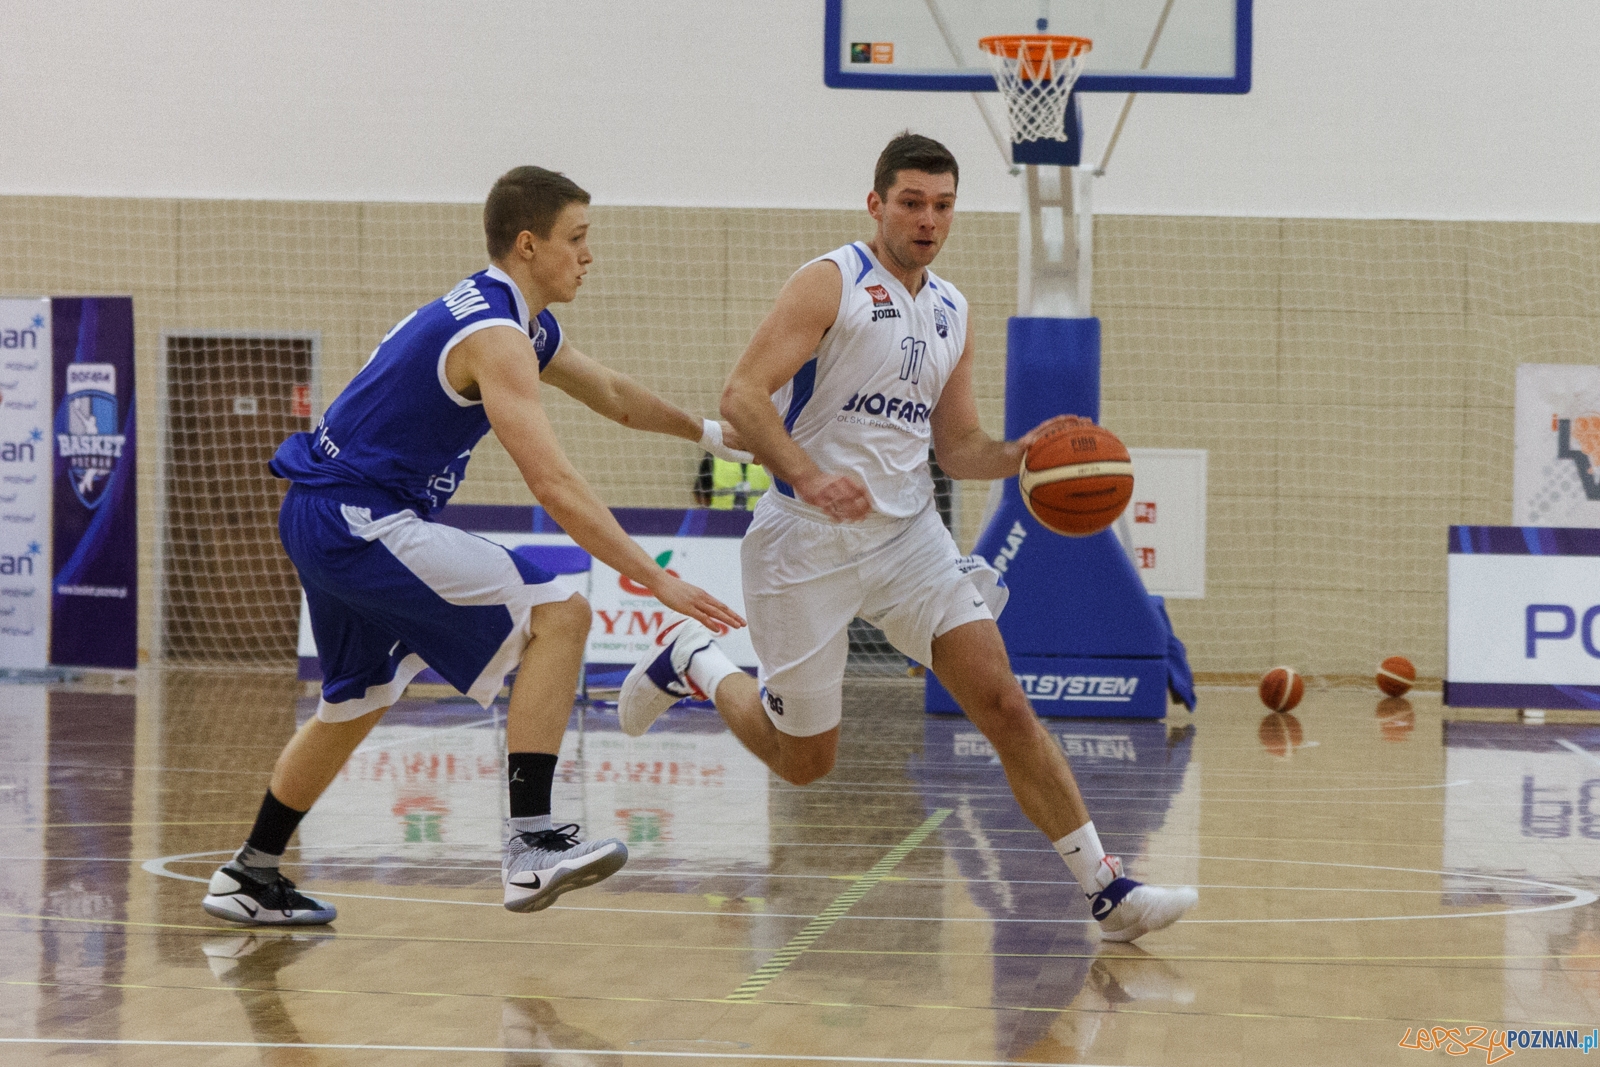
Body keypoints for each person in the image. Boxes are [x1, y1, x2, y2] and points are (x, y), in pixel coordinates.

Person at [619, 134, 1196, 942]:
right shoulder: (831, 283)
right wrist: (809, 474)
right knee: (805, 760)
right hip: (804, 543)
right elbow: (744, 398)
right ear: (877, 204)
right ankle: (694, 660)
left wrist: (1018, 454)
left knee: (1002, 702)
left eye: (943, 205)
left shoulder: (953, 309)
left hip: (909, 545)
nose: (928, 219)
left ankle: (1107, 887)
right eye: (913, 202)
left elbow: (958, 448)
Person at [203, 166, 748, 926]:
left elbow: (615, 395)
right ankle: (531, 845)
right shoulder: (493, 334)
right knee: (560, 610)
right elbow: (552, 484)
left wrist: (715, 434)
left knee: (355, 701)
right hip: (359, 518)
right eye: (577, 239)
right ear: (529, 245)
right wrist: (655, 578)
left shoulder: (512, 318)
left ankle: (249, 872)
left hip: (325, 512)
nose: (589, 256)